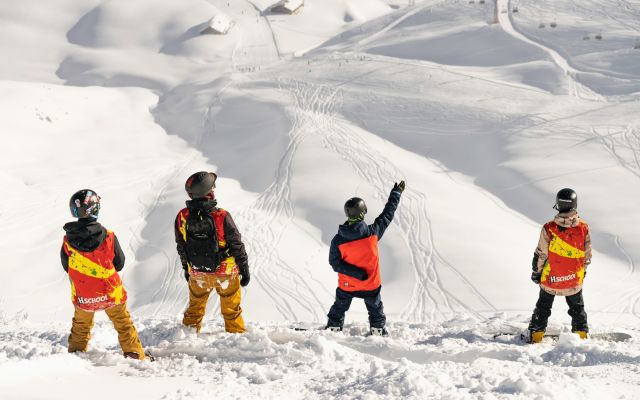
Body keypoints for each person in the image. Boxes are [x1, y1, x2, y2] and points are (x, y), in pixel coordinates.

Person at [61, 189, 147, 360]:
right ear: (95, 209)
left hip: (84, 296)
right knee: (123, 324)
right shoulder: (108, 236)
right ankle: (134, 354)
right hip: (111, 293)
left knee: (80, 327)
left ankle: (75, 356)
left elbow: (67, 266)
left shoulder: (68, 241)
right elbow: (119, 263)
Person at [325, 181, 405, 336]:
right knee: (375, 309)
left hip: (348, 286)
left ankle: (334, 328)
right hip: (370, 285)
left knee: (339, 307)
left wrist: (355, 273)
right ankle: (377, 329)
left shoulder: (338, 240)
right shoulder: (373, 233)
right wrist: (396, 194)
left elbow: (334, 263)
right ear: (363, 212)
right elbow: (387, 214)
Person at [175, 171, 250, 333]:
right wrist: (244, 269)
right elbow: (237, 245)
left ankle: (188, 336)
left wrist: (186, 269)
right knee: (231, 309)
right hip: (225, 273)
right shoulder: (221, 216)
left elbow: (181, 245)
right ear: (210, 192)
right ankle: (236, 336)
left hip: (198, 273)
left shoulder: (182, 216)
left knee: (195, 308)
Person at [526, 188, 592, 343]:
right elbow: (587, 255)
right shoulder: (583, 228)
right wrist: (582, 272)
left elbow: (541, 254)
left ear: (558, 204)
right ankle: (581, 334)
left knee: (543, 307)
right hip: (573, 279)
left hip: (551, 279)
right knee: (577, 309)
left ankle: (536, 334)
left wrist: (537, 273)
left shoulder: (549, 228)